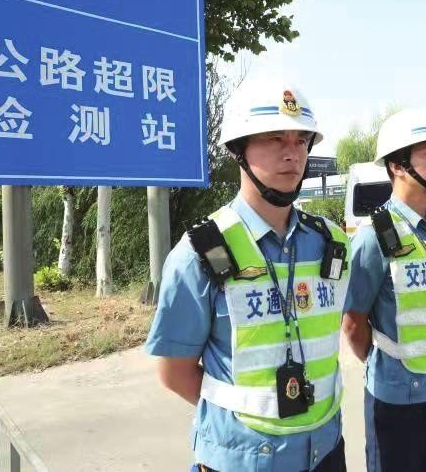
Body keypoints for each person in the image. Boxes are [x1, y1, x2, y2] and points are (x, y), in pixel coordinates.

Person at [145, 83, 350, 472]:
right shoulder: (200, 253)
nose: (292, 153)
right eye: (275, 139)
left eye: (301, 140)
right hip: (244, 459)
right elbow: (174, 372)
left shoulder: (332, 243)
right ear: (238, 149)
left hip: (326, 450)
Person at [342, 108, 426, 472]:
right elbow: (353, 322)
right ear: (398, 166)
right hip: (399, 398)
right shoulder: (374, 236)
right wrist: (390, 363)